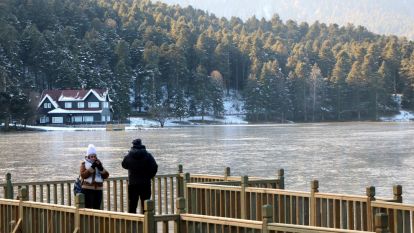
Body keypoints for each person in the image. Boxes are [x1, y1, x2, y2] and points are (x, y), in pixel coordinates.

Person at [122, 139, 158, 214]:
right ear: (141, 144)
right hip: (145, 183)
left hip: (133, 184)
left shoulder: (129, 155)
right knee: (146, 205)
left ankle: (132, 223)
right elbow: (155, 166)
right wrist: (150, 176)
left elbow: (124, 165)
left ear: (133, 145)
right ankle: (147, 222)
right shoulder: (148, 155)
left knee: (132, 205)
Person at [80, 144, 109, 209]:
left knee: (97, 209)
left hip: (98, 189)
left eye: (94, 156)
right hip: (87, 189)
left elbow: (106, 175)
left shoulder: (99, 164)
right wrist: (92, 167)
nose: (93, 158)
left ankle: (96, 219)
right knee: (88, 209)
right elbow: (83, 175)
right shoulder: (84, 164)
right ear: (88, 157)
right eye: (91, 156)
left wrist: (101, 168)